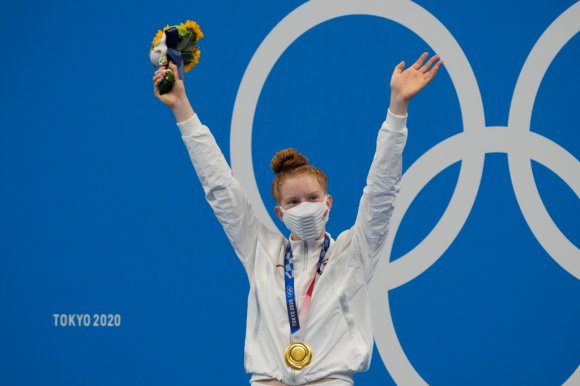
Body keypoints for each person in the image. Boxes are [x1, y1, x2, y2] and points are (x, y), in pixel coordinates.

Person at [153, 52, 443, 386]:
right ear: (280, 212)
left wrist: (397, 110)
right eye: (293, 201)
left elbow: (382, 192)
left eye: (312, 198)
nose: (304, 206)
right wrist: (182, 109)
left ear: (328, 203)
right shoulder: (259, 247)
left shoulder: (356, 251)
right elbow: (219, 186)